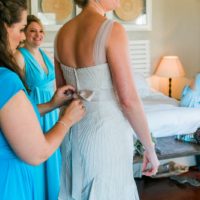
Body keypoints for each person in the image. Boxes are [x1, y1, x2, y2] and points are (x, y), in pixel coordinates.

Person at [54, 0, 160, 199]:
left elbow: (63, 93)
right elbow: (128, 100)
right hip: (104, 133)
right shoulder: (112, 30)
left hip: (72, 133)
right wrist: (149, 148)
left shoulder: (61, 34)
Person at [0, 0, 85, 199]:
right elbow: (37, 152)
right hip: (8, 183)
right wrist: (67, 120)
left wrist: (52, 104)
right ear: (4, 27)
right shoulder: (5, 79)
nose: (22, 37)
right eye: (22, 29)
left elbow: (13, 118)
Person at [14, 14, 62, 200]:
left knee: (52, 159)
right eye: (32, 31)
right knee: (37, 159)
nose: (38, 35)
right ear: (24, 33)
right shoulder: (19, 56)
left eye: (41, 31)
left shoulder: (45, 54)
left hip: (52, 113)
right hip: (36, 113)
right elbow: (17, 93)